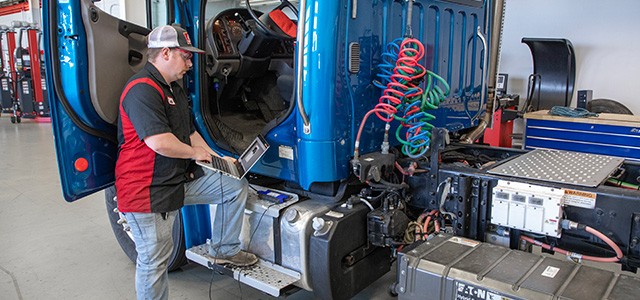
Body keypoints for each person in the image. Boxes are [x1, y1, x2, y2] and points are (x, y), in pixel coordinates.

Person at [115, 24, 257, 300]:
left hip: (175, 181)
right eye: (186, 56)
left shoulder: (174, 89)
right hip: (147, 191)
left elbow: (190, 133)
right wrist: (195, 155)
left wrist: (217, 159)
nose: (191, 63)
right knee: (155, 261)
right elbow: (159, 142)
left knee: (233, 186)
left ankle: (224, 250)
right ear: (165, 53)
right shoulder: (142, 90)